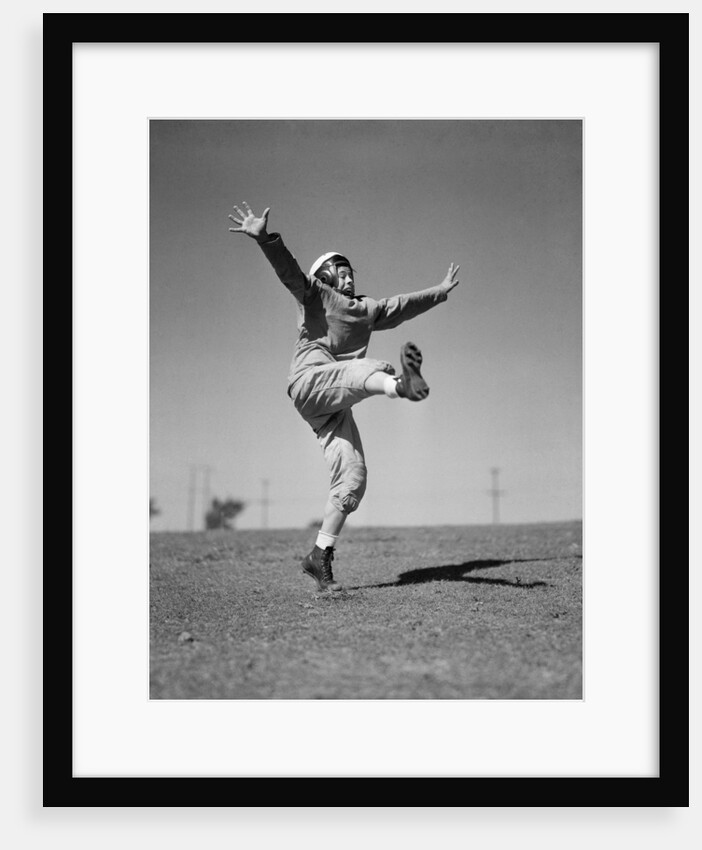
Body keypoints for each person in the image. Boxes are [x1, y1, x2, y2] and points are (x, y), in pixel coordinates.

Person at [228, 202, 460, 592]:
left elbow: (404, 305)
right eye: (342, 271)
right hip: (309, 382)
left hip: (335, 403)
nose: (349, 277)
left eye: (352, 271)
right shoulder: (315, 294)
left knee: (353, 478)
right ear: (326, 275)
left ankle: (319, 556)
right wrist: (265, 239)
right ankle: (399, 386)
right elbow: (288, 270)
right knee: (363, 369)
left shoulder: (368, 309)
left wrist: (439, 292)